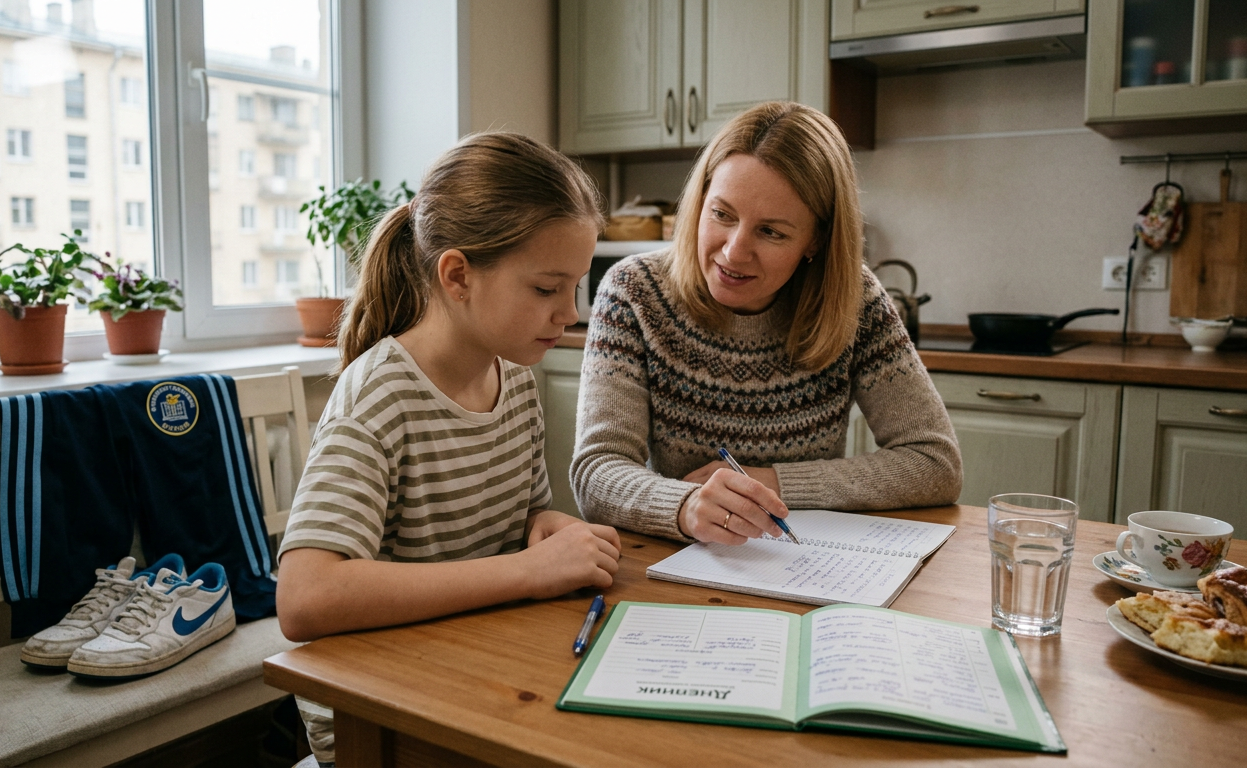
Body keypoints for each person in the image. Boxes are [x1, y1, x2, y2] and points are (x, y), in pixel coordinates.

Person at [276, 132, 621, 767]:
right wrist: (525, 571)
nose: (569, 313)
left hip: (470, 675)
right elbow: (305, 598)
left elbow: (519, 522)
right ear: (458, 275)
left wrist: (541, 528)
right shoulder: (379, 394)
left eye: (576, 286)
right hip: (380, 719)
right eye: (547, 288)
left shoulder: (514, 376)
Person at [571, 101, 962, 545]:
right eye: (721, 214)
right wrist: (684, 507)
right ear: (699, 202)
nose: (734, 252)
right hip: (685, 558)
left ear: (815, 240)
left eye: (771, 232)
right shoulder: (633, 292)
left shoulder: (855, 301)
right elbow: (597, 471)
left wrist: (772, 483)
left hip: (804, 559)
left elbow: (935, 463)